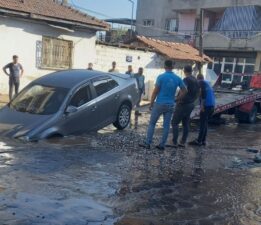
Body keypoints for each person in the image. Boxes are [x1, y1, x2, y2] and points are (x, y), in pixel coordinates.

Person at [139, 60, 187, 150]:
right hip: (170, 105)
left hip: (160, 104)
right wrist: (177, 99)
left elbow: (155, 91)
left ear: (165, 66)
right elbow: (185, 90)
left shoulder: (161, 77)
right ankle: (162, 145)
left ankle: (148, 143)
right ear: (172, 67)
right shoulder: (177, 78)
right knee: (166, 125)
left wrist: (151, 103)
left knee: (152, 123)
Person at [171, 65, 200, 148]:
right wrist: (193, 100)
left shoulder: (186, 79)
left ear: (184, 71)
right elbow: (199, 92)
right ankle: (183, 142)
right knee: (185, 123)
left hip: (183, 104)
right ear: (191, 70)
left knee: (174, 122)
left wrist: (177, 99)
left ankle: (174, 142)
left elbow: (184, 90)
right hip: (191, 104)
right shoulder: (195, 80)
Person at [189, 74, 216, 146]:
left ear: (197, 79)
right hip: (212, 106)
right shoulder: (208, 83)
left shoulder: (200, 82)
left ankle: (199, 141)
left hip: (206, 106)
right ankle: (203, 140)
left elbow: (203, 94)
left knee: (202, 124)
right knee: (205, 123)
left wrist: (202, 106)